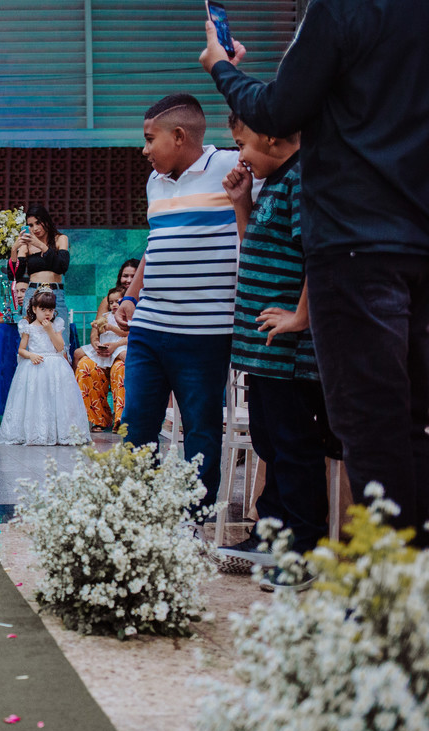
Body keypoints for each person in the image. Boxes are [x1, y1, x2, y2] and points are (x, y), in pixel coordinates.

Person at [201, 1, 429, 539]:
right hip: (418, 237)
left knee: (371, 421)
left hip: (355, 240)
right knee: (415, 420)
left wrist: (221, 68)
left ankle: (387, 577)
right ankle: (412, 570)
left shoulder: (344, 8)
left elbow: (279, 109)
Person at [213, 114, 336, 582]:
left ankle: (303, 548)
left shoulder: (302, 178)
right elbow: (258, 247)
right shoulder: (273, 183)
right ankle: (272, 532)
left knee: (294, 447)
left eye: (241, 143)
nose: (239, 155)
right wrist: (242, 203)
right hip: (262, 350)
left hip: (288, 354)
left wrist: (300, 316)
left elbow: (320, 253)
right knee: (270, 442)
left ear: (270, 136)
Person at [115, 94, 247, 508]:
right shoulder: (155, 182)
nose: (144, 150)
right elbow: (155, 244)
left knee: (201, 432)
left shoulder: (232, 166)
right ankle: (137, 513)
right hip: (149, 328)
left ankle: (195, 517)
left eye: (149, 139)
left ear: (178, 136)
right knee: (135, 427)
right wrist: (132, 296)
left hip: (206, 332)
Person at [0, 289, 89, 446]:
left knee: (56, 399)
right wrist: (31, 355)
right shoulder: (28, 327)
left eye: (50, 309)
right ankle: (37, 432)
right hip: (35, 366)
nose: (47, 313)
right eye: (43, 309)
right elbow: (21, 350)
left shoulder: (56, 325)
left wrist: (50, 330)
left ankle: (59, 432)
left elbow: (60, 347)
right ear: (34, 309)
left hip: (55, 366)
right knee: (37, 399)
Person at [11, 204, 71, 351]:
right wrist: (14, 249)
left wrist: (41, 245)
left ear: (46, 221)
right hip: (33, 293)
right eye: (31, 225)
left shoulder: (60, 239)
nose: (35, 228)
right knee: (31, 341)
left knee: (61, 341)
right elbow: (15, 275)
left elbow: (62, 267)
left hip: (55, 293)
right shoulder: (26, 245)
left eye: (38, 223)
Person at [74, 287, 129, 432]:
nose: (114, 305)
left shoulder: (127, 316)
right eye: (111, 302)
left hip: (120, 346)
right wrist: (97, 342)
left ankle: (122, 420)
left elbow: (129, 333)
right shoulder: (106, 315)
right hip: (105, 347)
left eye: (117, 302)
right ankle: (97, 417)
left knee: (123, 365)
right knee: (83, 361)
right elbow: (95, 332)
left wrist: (112, 331)